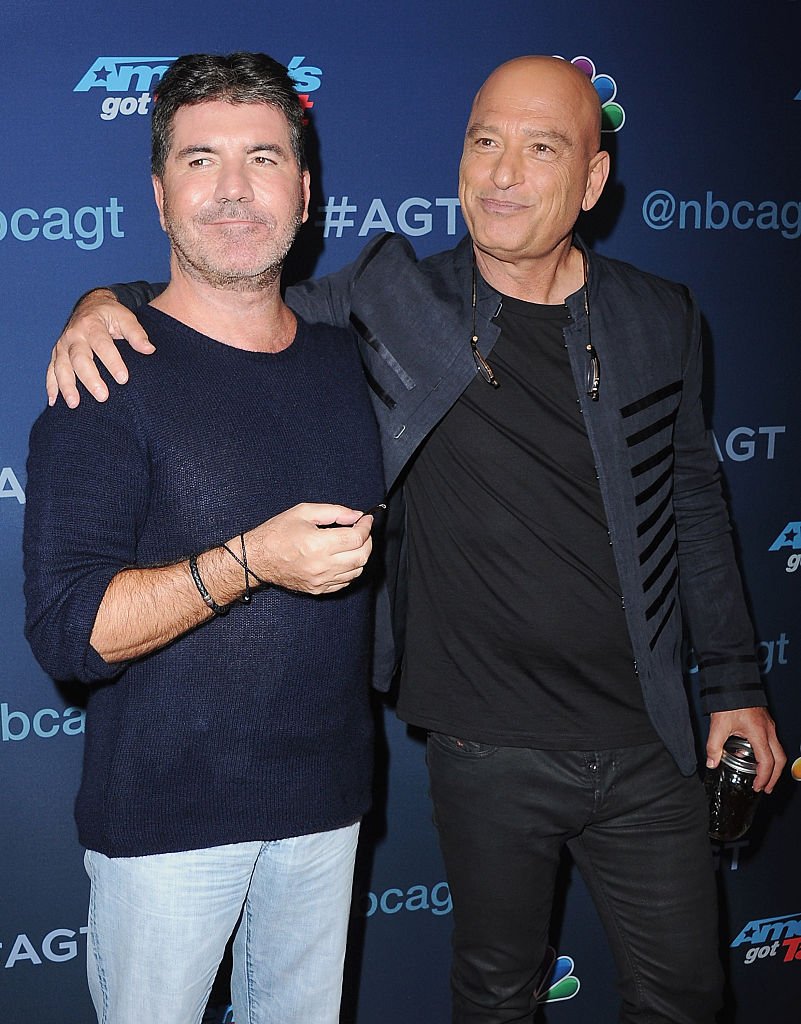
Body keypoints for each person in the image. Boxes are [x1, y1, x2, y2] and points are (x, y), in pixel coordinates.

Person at [47, 55, 785, 1024]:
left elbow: (694, 497)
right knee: (493, 996)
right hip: (485, 746)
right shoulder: (393, 300)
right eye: (484, 142)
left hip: (649, 739)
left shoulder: (661, 316)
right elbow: (225, 287)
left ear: (594, 180)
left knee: (686, 996)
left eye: (540, 147)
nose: (503, 172)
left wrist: (734, 685)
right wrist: (100, 299)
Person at [24, 52, 386, 1024]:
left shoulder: (352, 359)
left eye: (263, 157)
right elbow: (70, 630)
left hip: (329, 805)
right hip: (166, 825)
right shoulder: (108, 371)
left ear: (305, 193)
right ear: (158, 192)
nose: (232, 189)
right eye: (200, 160)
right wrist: (249, 561)